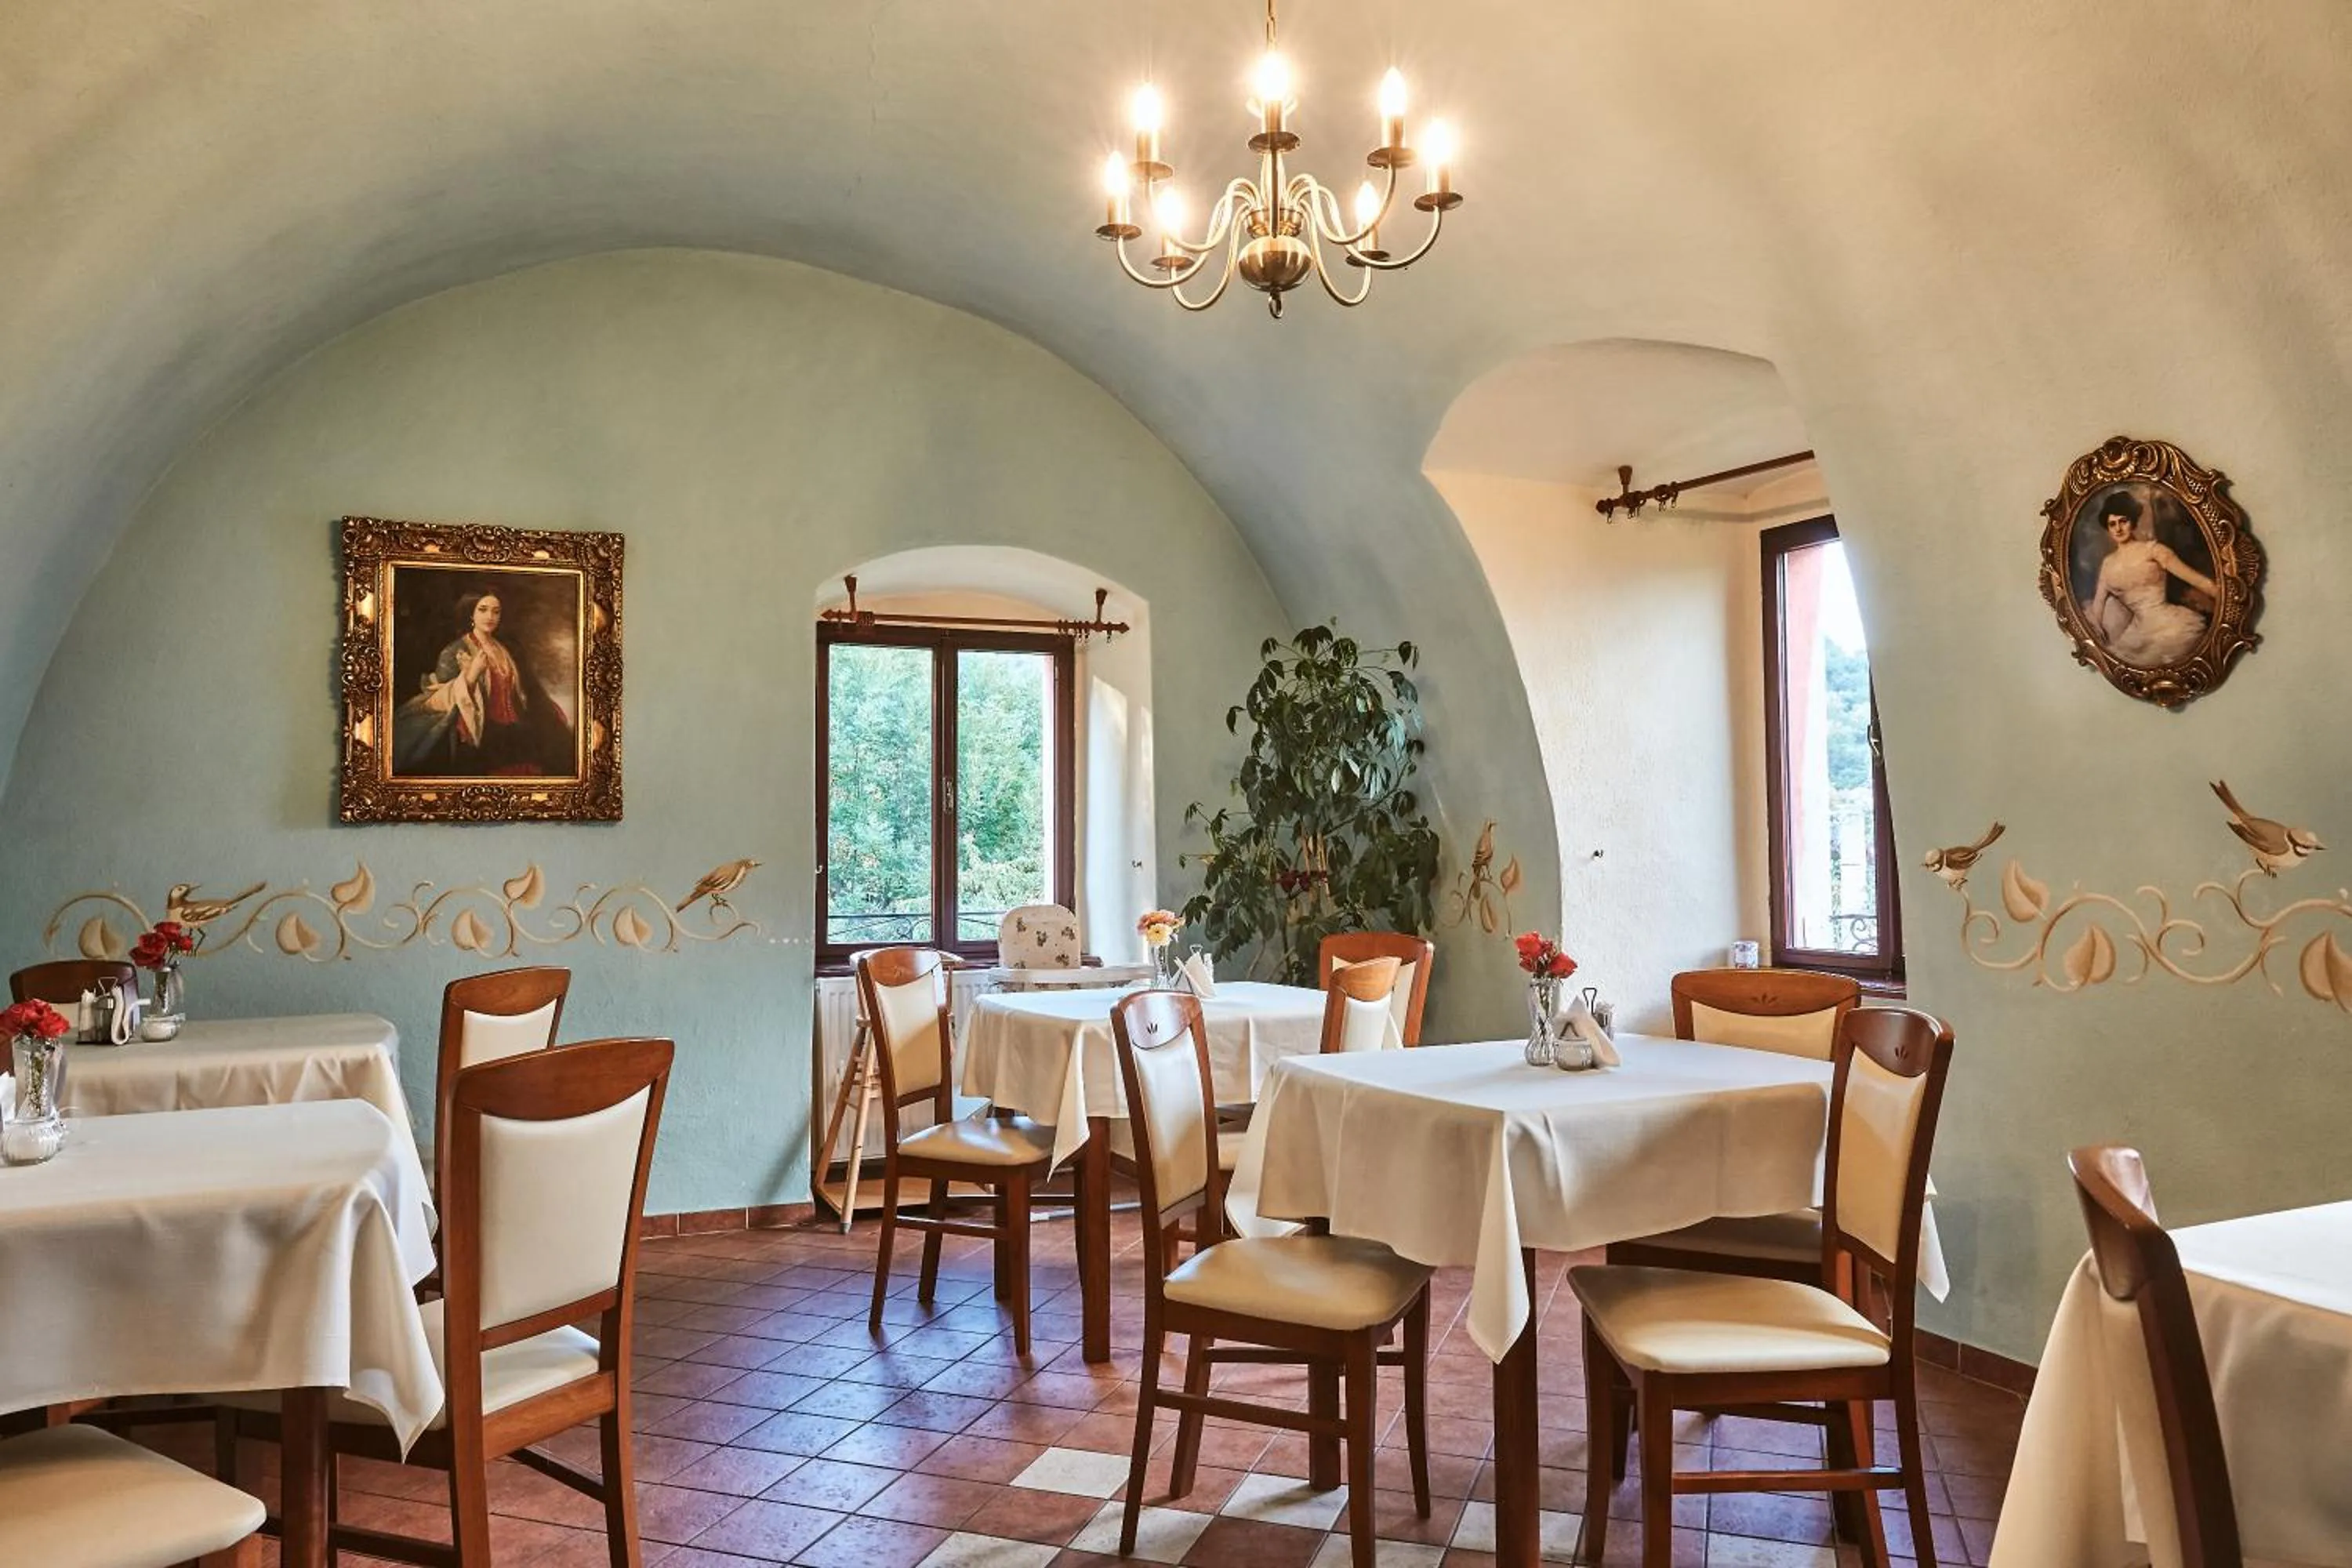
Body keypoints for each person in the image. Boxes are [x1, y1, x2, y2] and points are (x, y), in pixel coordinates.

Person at [391, 590, 576, 776]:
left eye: (496, 612)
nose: (490, 616)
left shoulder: (505, 649)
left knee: (546, 741)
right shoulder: (455, 650)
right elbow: (438, 698)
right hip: (480, 730)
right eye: (483, 610)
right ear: (471, 613)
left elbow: (520, 694)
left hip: (513, 727)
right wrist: (472, 674)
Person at [2082, 493, 2215, 668]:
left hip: (2168, 626)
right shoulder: (2108, 563)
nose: (2118, 529)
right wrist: (2096, 627)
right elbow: (2099, 601)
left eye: (2123, 521)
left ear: (2133, 522)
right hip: (2136, 634)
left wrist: (2222, 594)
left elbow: (2195, 579)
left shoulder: (2153, 551)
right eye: (2112, 524)